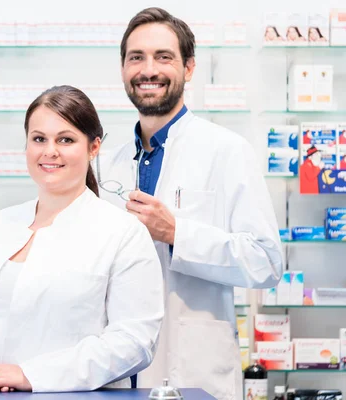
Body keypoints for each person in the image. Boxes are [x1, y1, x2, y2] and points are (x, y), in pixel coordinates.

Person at [98, 7, 283, 400]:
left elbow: (266, 262)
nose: (149, 70)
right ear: (122, 68)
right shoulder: (106, 162)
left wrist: (177, 233)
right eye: (137, 57)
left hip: (194, 372)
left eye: (163, 57)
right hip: (113, 376)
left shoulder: (227, 151)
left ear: (189, 67)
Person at [0, 85, 164, 393]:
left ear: (94, 147)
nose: (49, 151)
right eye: (38, 139)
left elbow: (134, 341)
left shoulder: (121, 233)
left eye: (65, 140)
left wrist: (29, 375)